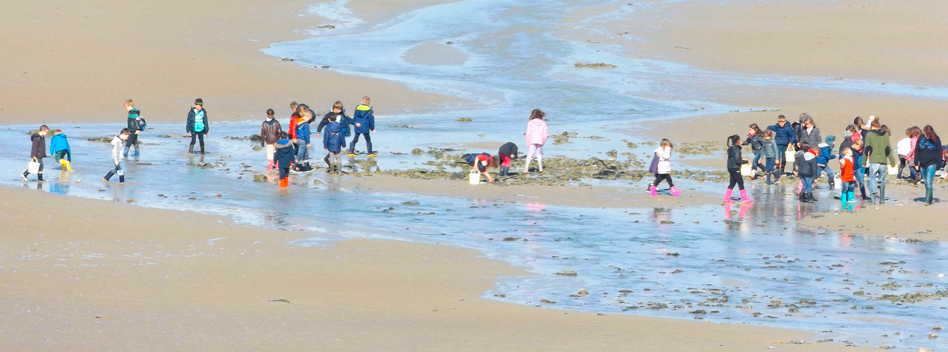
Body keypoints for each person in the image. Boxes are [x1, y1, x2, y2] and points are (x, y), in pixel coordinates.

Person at [863, 120, 897, 204]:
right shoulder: (885, 135)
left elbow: (867, 148)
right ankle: (882, 200)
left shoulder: (869, 135)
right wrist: (892, 161)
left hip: (874, 160)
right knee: (882, 180)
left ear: (872, 127)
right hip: (883, 161)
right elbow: (888, 149)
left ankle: (873, 200)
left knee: (872, 179)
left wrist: (864, 161)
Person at [914, 125, 943, 205]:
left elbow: (939, 152)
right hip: (922, 163)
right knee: (926, 182)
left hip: (932, 163)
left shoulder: (936, 139)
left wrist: (938, 164)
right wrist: (916, 162)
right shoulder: (921, 138)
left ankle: (927, 201)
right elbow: (917, 150)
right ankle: (930, 198)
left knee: (929, 181)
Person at [317, 101, 351, 168]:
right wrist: (318, 131)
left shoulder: (342, 115)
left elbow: (348, 120)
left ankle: (330, 161)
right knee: (333, 149)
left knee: (337, 148)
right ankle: (327, 159)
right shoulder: (329, 115)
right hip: (331, 135)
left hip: (339, 134)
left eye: (340, 109)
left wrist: (355, 123)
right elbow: (322, 122)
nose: (339, 110)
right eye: (337, 109)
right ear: (334, 108)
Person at [725, 134, 753, 203]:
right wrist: (745, 161)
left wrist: (740, 159)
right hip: (735, 168)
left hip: (730, 167)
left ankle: (726, 198)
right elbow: (738, 161)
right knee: (740, 182)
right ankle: (744, 198)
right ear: (738, 141)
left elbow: (734, 158)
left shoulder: (731, 149)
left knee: (732, 183)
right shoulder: (737, 149)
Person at [523, 109, 548, 174]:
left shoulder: (530, 122)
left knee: (530, 153)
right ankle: (540, 168)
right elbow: (545, 134)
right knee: (538, 153)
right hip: (540, 139)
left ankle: (526, 169)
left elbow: (528, 133)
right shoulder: (543, 123)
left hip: (532, 139)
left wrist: (528, 142)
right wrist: (543, 141)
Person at [294, 105, 313, 170]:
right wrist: (308, 142)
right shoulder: (305, 124)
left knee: (306, 153)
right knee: (301, 153)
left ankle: (307, 166)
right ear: (306, 117)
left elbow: (295, 131)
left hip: (298, 139)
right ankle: (295, 164)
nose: (309, 120)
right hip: (303, 140)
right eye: (309, 118)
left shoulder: (298, 123)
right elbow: (306, 134)